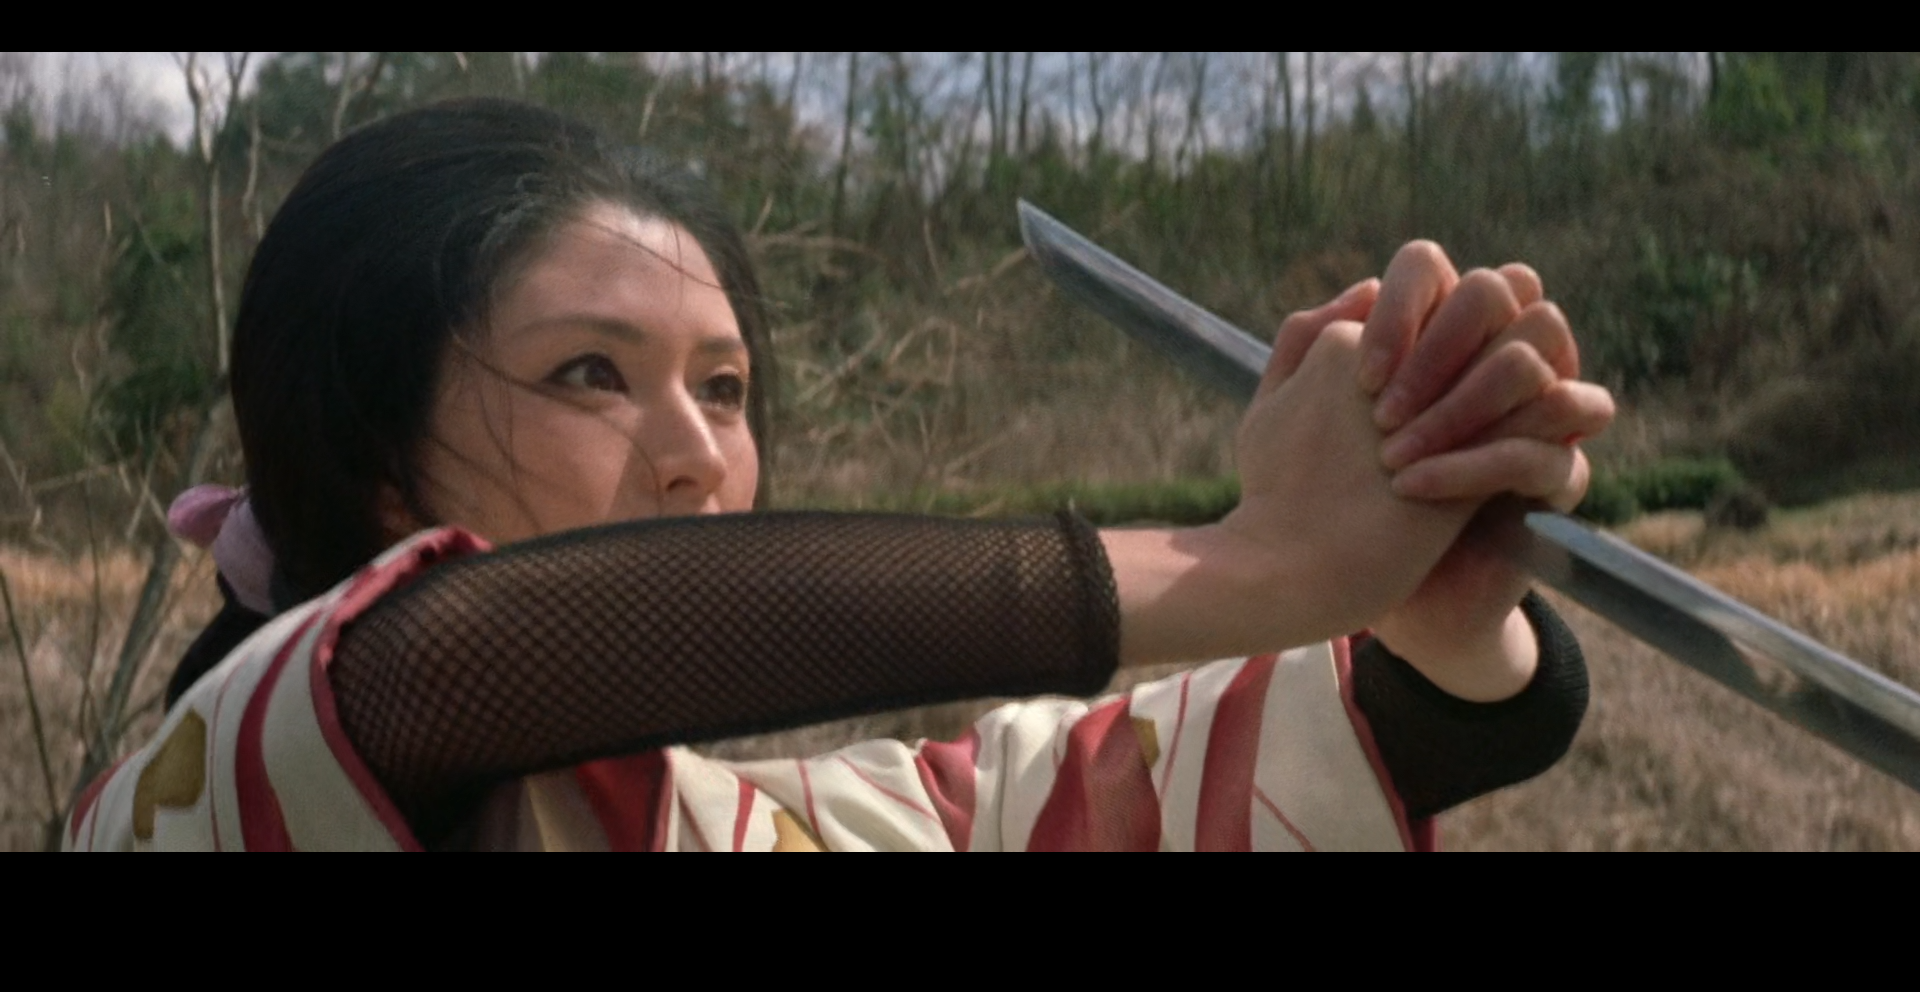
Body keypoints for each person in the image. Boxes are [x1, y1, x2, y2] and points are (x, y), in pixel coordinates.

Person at [63, 99, 1613, 852]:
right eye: (589, 372)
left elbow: (1146, 783)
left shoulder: (798, 828)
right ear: (376, 462)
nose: (699, 455)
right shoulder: (214, 779)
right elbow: (448, 658)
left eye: (725, 389)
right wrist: (1260, 563)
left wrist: (1437, 607)